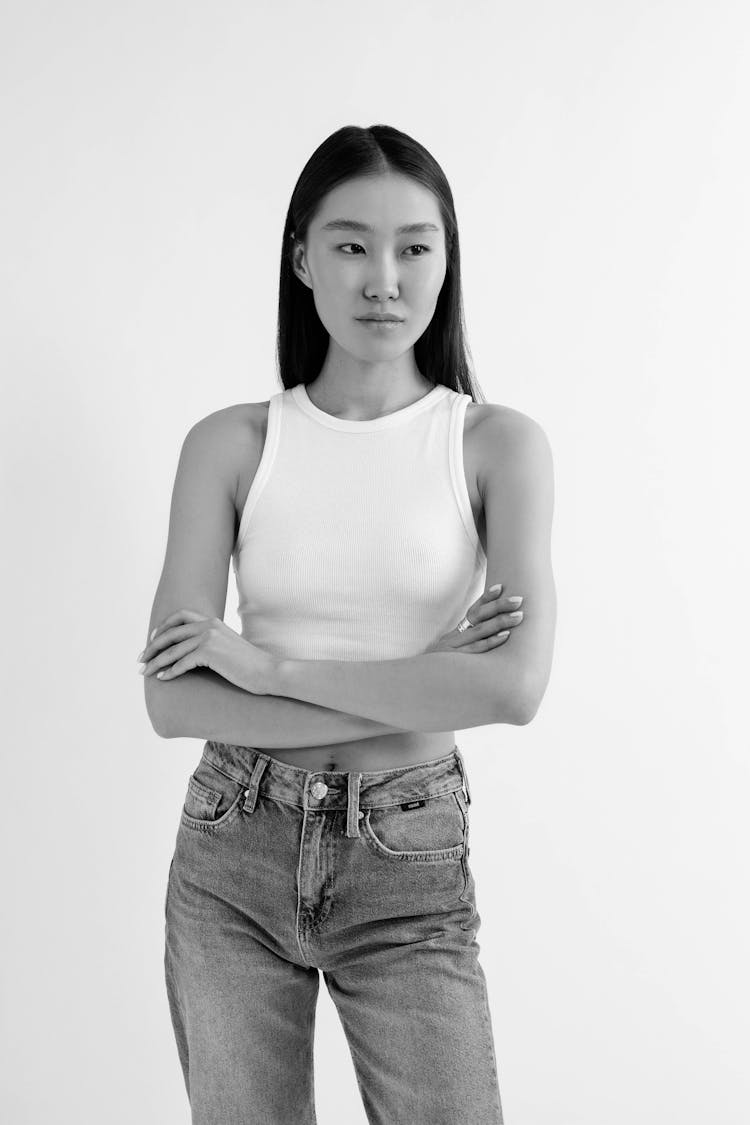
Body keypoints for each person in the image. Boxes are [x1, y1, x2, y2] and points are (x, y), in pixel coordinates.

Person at [139, 123, 556, 1124]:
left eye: (415, 246)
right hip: (231, 845)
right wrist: (419, 678)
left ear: (447, 262)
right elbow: (169, 699)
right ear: (302, 257)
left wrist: (267, 671)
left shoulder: (496, 446)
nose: (384, 278)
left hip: (406, 855)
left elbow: (512, 688)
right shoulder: (232, 445)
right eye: (351, 245)